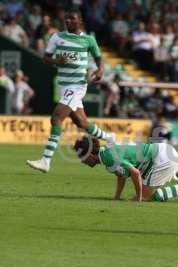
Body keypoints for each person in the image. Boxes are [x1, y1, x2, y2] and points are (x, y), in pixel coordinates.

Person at [27, 9, 115, 173]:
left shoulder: (88, 40)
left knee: (56, 118)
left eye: (71, 19)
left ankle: (46, 161)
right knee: (82, 123)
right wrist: (57, 61)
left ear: (80, 21)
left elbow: (98, 58)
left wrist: (100, 70)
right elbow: (45, 58)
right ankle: (110, 138)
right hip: (64, 86)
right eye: (66, 19)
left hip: (77, 85)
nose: (68, 22)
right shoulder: (57, 37)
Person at [73, 136, 178, 202]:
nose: (82, 161)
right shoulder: (105, 152)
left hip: (159, 158)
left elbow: (135, 173)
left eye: (82, 157)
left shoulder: (108, 157)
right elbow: (121, 175)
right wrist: (117, 197)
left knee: (147, 198)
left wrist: (139, 197)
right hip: (163, 149)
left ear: (89, 154)